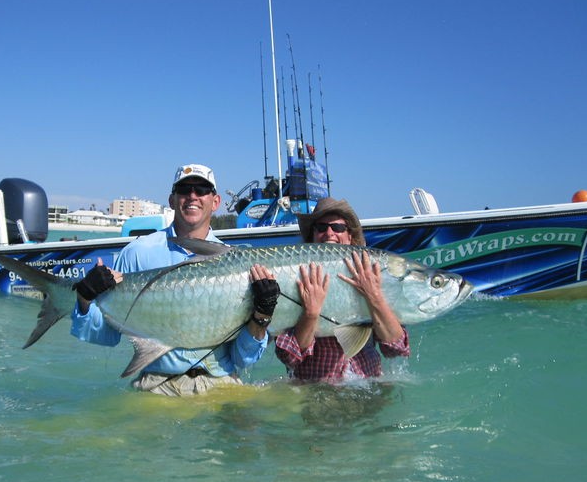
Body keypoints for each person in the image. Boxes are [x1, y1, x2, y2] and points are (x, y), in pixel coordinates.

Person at [70, 163, 280, 396]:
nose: (193, 196)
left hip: (221, 384)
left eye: (201, 190)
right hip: (158, 386)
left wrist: (262, 317)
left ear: (216, 202)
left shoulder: (238, 263)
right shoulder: (137, 253)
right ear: (172, 200)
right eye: (184, 190)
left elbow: (243, 358)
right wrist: (84, 298)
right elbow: (105, 335)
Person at [275, 197, 410, 383]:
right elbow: (289, 357)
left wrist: (374, 297)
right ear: (312, 235)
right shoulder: (296, 276)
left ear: (350, 236)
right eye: (321, 227)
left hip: (369, 391)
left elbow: (396, 349)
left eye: (338, 228)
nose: (329, 233)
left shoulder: (373, 275)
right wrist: (311, 313)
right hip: (319, 395)